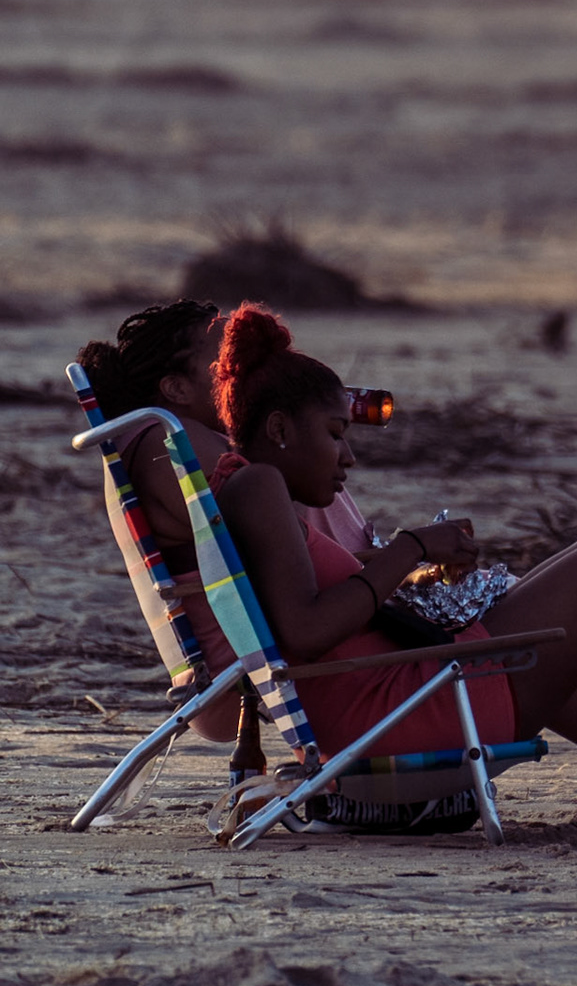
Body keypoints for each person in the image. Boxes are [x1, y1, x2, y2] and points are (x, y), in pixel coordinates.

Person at [200, 304, 577, 846]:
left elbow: (318, 607)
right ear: (280, 428)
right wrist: (412, 547)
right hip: (397, 712)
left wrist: (410, 571)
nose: (350, 455)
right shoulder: (257, 486)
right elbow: (307, 631)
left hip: (403, 693)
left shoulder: (256, 492)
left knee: (557, 610)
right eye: (335, 434)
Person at [77, 302, 378, 741]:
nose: (245, 366)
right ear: (177, 388)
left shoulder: (177, 439)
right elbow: (284, 554)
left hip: (293, 624)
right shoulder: (173, 441)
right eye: (226, 359)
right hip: (294, 638)